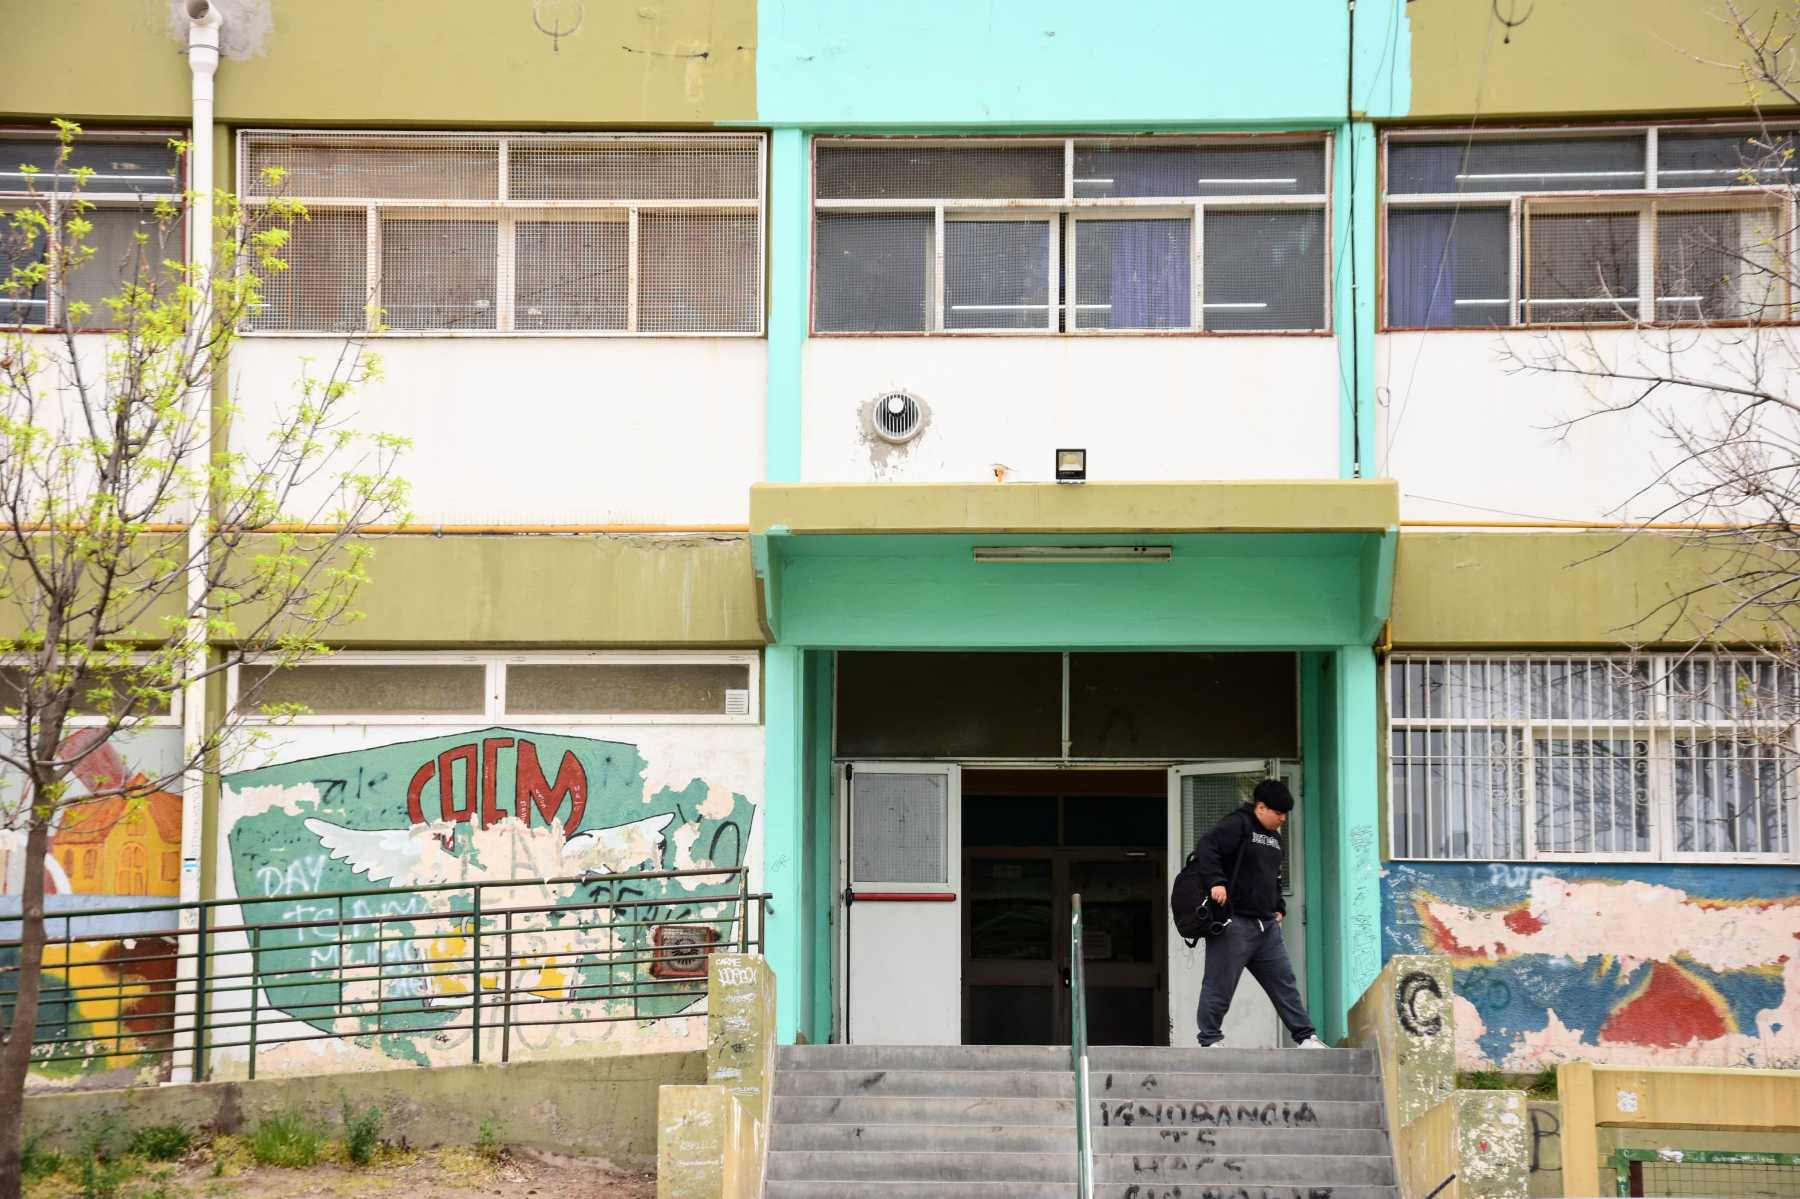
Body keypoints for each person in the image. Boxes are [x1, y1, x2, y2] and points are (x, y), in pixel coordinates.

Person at [1189, 778, 1327, 1049]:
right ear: (1260, 807)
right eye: (1278, 813)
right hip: (1234, 923)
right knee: (1220, 984)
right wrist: (1217, 881)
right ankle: (1210, 1040)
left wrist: (1279, 907)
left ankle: (1305, 1038)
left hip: (1266, 927)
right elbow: (1207, 846)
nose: (1282, 819)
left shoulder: (1275, 840)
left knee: (1284, 982)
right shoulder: (1237, 824)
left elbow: (1273, 877)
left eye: (1285, 814)